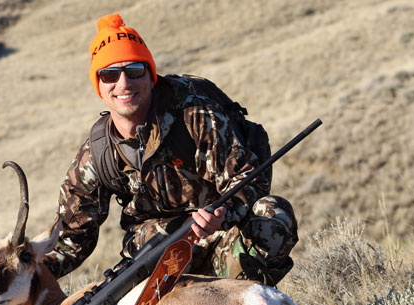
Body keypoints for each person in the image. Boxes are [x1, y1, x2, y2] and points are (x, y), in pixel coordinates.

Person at [44, 13, 298, 286]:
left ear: (151, 76)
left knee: (272, 214)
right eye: (109, 75)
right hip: (155, 259)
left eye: (134, 71)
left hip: (219, 243)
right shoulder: (97, 154)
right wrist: (23, 271)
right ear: (99, 87)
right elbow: (71, 239)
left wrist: (220, 214)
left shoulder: (196, 116)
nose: (123, 84)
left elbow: (250, 177)